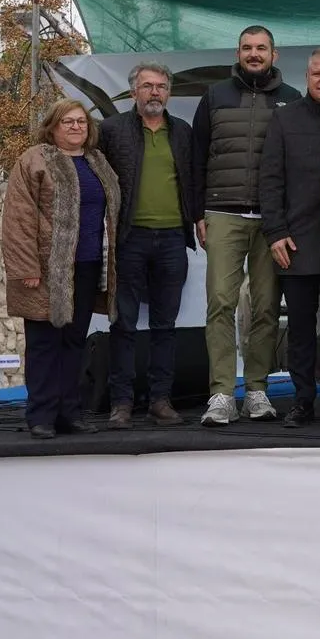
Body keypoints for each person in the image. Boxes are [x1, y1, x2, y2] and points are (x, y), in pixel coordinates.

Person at [192, 25, 300, 427]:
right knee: (220, 302)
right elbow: (197, 155)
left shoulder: (291, 100)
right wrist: (197, 213)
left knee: (267, 306)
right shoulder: (215, 95)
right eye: (247, 48)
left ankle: (256, 389)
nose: (254, 54)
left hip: (272, 220)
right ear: (237, 53)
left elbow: (297, 165)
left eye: (261, 48)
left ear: (275, 54)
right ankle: (221, 394)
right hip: (222, 212)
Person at [2, 99, 121, 439]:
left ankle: (70, 413)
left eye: (81, 122)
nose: (75, 127)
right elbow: (18, 218)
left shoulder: (97, 161)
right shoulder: (35, 159)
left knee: (73, 342)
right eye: (67, 121)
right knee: (43, 343)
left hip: (86, 266)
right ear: (52, 126)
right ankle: (40, 415)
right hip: (44, 269)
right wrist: (27, 266)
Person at [259, 47, 320, 428]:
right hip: (296, 242)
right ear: (307, 77)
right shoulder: (284, 119)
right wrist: (276, 233)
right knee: (299, 327)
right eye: (317, 73)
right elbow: (270, 180)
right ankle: (302, 400)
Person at [99, 63, 196, 428]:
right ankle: (121, 403)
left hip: (173, 238)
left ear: (168, 92)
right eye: (146, 86)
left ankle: (160, 400)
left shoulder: (182, 132)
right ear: (133, 92)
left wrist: (197, 221)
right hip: (129, 238)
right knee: (123, 323)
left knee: (164, 325)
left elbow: (194, 181)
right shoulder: (110, 130)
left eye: (160, 86)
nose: (154, 92)